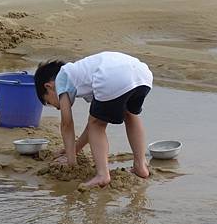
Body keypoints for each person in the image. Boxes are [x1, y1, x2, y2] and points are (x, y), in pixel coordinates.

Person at [34, 51, 153, 188]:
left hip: (113, 76)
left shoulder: (61, 78)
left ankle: (103, 175)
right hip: (142, 74)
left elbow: (67, 125)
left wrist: (70, 161)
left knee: (97, 125)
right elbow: (94, 121)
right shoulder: (83, 75)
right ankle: (140, 166)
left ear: (49, 86)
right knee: (130, 115)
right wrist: (74, 149)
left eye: (49, 101)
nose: (57, 108)